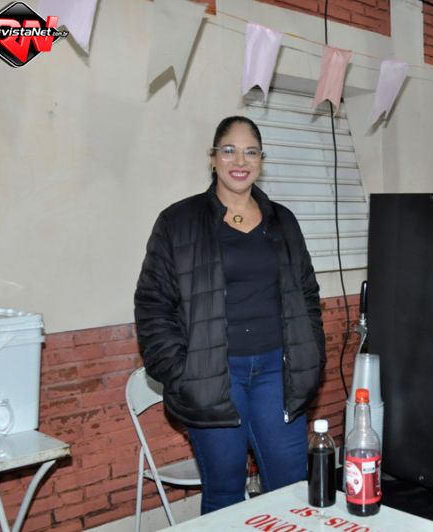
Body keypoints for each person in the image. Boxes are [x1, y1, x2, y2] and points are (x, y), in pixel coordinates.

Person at [134, 116, 326, 513]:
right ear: (213, 158)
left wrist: (313, 353)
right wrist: (182, 372)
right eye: (229, 150)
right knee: (224, 495)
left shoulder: (283, 221)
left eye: (250, 151)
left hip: (279, 373)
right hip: (212, 376)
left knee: (292, 488)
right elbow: (153, 303)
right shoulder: (177, 221)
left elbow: (307, 292)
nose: (240, 161)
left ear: (261, 160)